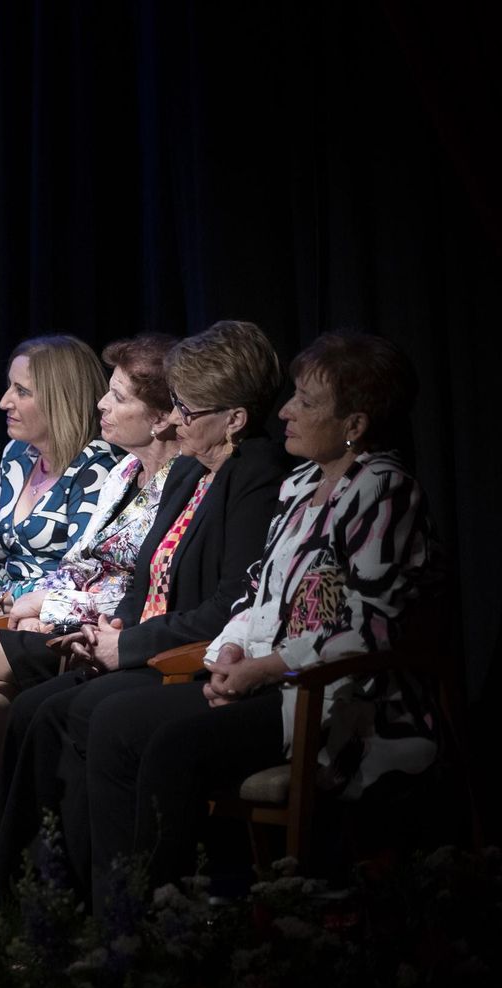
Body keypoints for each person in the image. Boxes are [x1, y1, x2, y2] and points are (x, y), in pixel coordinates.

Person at [84, 331, 436, 900]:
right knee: (114, 720)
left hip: (331, 703)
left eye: (307, 401)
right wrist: (229, 650)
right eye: (292, 394)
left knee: (174, 746)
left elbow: (368, 633)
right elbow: (257, 597)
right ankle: (116, 918)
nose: (287, 411)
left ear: (356, 424)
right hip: (266, 683)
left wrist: (266, 668)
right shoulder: (299, 486)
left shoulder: (383, 492)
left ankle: (159, 923)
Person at [0, 320, 292, 900]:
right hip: (149, 644)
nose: (174, 421)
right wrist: (115, 626)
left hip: (192, 658)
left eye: (186, 409)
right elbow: (146, 579)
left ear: (235, 419)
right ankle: (21, 900)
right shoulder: (188, 473)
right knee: (34, 710)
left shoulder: (253, 472)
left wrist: (124, 647)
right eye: (173, 405)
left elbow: (229, 602)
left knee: (88, 714)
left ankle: (104, 909)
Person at [0, 333, 180, 826]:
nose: (5, 402)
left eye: (22, 391)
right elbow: (6, 554)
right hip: (28, 614)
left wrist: (9, 605)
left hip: (62, 624)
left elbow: (125, 581)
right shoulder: (23, 459)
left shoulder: (104, 465)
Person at [0, 335, 120, 632]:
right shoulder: (17, 455)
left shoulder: (97, 467)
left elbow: (79, 577)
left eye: (22, 391)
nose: (4, 402)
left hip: (48, 620)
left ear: (60, 400)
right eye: (9, 387)